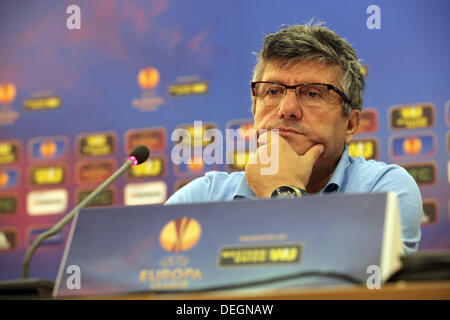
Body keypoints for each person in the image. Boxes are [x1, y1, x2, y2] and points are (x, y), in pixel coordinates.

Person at [165, 22, 422, 253]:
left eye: (312, 94)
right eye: (273, 91)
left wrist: (282, 191)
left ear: (350, 125)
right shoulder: (204, 197)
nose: (286, 109)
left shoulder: (384, 190)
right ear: (254, 110)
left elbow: (355, 280)